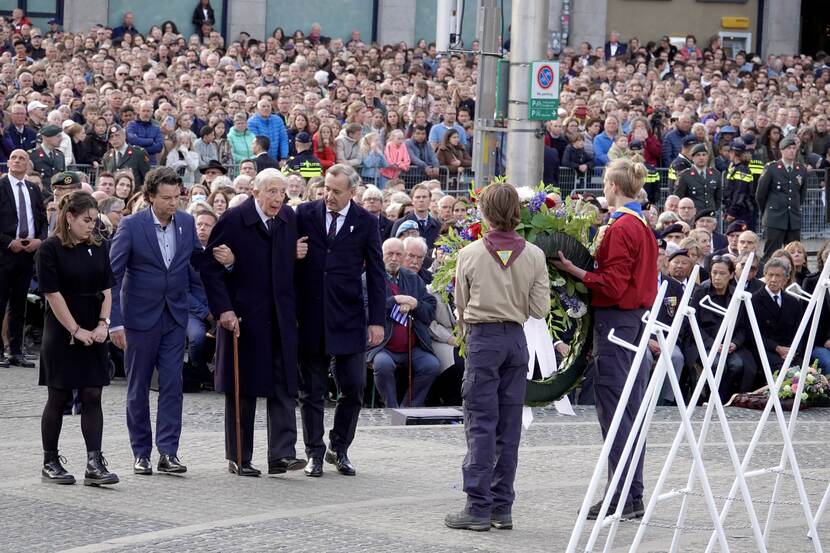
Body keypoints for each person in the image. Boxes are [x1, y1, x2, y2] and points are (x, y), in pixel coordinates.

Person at [554, 159, 657, 520]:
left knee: (616, 412)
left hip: (617, 322)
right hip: (634, 321)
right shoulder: (639, 222)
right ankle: (632, 494)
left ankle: (620, 495)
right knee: (629, 411)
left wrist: (574, 271)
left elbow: (612, 284)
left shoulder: (621, 226)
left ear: (613, 186)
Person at [445, 182, 550, 531]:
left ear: (484, 214)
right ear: (518, 213)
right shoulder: (534, 255)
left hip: (482, 341)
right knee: (509, 426)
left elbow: (460, 304)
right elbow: (540, 308)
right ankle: (501, 506)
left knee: (480, 422)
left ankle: (477, 506)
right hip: (515, 341)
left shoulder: (469, 254)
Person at [201, 168, 309, 477]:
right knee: (243, 388)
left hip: (281, 316)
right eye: (271, 192)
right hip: (244, 316)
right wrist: (223, 310)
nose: (278, 198)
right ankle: (239, 455)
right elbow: (210, 267)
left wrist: (295, 255)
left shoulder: (288, 218)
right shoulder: (235, 220)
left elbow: (283, 265)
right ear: (255, 193)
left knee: (284, 385)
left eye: (282, 192)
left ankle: (283, 455)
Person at [109, 166, 201, 476]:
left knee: (173, 384)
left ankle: (168, 452)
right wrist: (114, 322)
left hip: (174, 316)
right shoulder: (132, 226)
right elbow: (114, 275)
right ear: (150, 197)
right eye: (166, 198)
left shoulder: (187, 224)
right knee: (138, 387)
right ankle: (141, 453)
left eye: (177, 196)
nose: (173, 203)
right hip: (138, 318)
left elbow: (195, 267)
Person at [295, 164, 385, 477]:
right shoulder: (304, 214)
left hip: (348, 315)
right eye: (326, 189)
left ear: (352, 192)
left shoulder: (365, 221)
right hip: (311, 314)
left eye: (336, 191)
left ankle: (340, 447)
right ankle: (314, 453)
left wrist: (376, 320)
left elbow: (376, 272)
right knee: (312, 390)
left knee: (354, 387)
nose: (328, 196)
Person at [36, 190, 119, 486]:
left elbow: (107, 287)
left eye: (95, 220)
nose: (91, 225)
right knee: (58, 395)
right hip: (61, 330)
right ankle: (50, 460)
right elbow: (52, 294)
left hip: (93, 326)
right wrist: (75, 329)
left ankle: (94, 462)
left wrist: (102, 323)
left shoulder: (99, 246)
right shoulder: (50, 249)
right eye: (86, 220)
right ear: (69, 217)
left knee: (92, 393)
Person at [368, 238, 439, 408]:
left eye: (398, 254)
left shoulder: (413, 279)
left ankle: (408, 408)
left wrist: (416, 304)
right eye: (390, 254)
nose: (394, 258)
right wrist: (395, 300)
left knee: (431, 365)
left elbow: (430, 309)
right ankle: (391, 409)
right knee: (383, 365)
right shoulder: (369, 277)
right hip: (382, 345)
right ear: (381, 255)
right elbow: (365, 309)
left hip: (413, 346)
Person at [0, 149, 47, 368]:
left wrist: (39, 240)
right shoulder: (1, 186)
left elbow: (42, 219)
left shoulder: (33, 188)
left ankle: (16, 351)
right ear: (8, 162)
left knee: (20, 305)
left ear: (28, 164)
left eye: (22, 159)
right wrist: (8, 242)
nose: (18, 161)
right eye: (14, 158)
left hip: (27, 255)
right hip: (4, 253)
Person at [751, 257, 804, 374]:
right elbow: (752, 334)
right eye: (770, 275)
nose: (773, 280)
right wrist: (777, 348)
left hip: (790, 351)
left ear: (786, 279)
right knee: (786, 373)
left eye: (778, 276)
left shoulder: (793, 302)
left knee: (809, 374)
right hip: (766, 351)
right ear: (765, 276)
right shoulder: (753, 300)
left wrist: (792, 351)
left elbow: (800, 331)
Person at [756, 137, 806, 260]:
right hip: (775, 218)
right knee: (771, 254)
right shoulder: (772, 168)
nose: (792, 151)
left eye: (794, 148)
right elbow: (760, 194)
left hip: (793, 218)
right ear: (782, 150)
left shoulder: (801, 169)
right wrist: (768, 211)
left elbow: (801, 194)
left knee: (794, 254)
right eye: (789, 148)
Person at [390, 183, 441, 250]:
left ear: (430, 200)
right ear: (412, 200)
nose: (421, 200)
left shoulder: (438, 226)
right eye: (418, 197)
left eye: (424, 197)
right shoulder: (400, 223)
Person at [674, 143, 721, 213]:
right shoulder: (685, 175)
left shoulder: (715, 174)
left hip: (710, 214)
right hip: (692, 215)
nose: (701, 158)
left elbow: (718, 198)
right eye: (698, 155)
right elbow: (679, 197)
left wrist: (713, 208)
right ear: (692, 158)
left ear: (708, 157)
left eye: (704, 155)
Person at [101, 124, 150, 190]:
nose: (114, 139)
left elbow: (147, 177)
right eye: (111, 137)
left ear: (124, 136)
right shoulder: (107, 157)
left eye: (117, 135)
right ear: (109, 141)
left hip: (133, 195)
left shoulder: (138, 153)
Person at [29, 125, 65, 196]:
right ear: (46, 137)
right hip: (39, 195)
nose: (61, 138)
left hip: (57, 195)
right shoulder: (32, 155)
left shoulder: (60, 155)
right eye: (58, 136)